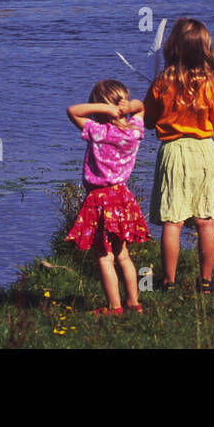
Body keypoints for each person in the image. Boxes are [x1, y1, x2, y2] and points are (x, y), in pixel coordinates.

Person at [144, 17, 214, 294]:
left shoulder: (162, 82)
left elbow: (148, 121)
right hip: (204, 151)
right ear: (205, 49)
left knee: (173, 221)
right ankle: (206, 282)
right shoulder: (211, 84)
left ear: (172, 48)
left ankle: (168, 282)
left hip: (172, 152)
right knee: (206, 220)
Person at [65, 79, 152, 314]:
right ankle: (134, 302)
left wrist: (104, 109)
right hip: (122, 196)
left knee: (104, 256)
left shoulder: (97, 131)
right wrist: (128, 106)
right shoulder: (134, 131)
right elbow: (141, 107)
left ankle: (114, 307)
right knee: (123, 254)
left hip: (99, 199)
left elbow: (72, 111)